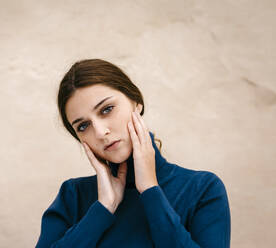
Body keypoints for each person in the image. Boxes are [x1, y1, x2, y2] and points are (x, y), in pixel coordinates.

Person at [35, 59, 231, 248]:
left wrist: (150, 191)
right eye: (83, 126)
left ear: (136, 102)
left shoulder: (202, 189)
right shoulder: (73, 196)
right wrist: (103, 209)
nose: (101, 132)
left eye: (107, 109)